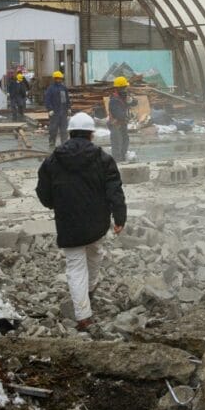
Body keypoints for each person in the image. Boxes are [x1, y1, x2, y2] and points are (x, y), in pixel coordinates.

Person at [35, 112, 126, 331]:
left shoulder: (53, 160)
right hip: (97, 222)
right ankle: (91, 289)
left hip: (68, 225)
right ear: (91, 135)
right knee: (95, 255)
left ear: (70, 133)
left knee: (76, 267)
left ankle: (83, 316)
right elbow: (115, 190)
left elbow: (42, 191)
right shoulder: (103, 159)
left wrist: (53, 204)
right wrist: (119, 217)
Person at [108, 76, 132, 162]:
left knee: (125, 142)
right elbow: (118, 114)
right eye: (125, 87)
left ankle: (122, 159)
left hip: (122, 124)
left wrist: (131, 100)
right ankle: (117, 163)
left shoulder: (122, 97)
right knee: (117, 145)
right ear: (119, 88)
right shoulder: (114, 100)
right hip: (116, 125)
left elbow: (134, 102)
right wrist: (127, 116)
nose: (126, 89)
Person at [44, 70, 71, 147]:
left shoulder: (64, 88)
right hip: (54, 113)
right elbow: (47, 100)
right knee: (53, 129)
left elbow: (67, 99)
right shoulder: (50, 88)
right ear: (55, 79)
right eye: (57, 78)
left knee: (64, 129)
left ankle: (64, 142)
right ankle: (52, 141)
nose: (59, 80)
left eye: (60, 78)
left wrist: (68, 108)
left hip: (63, 112)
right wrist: (50, 109)